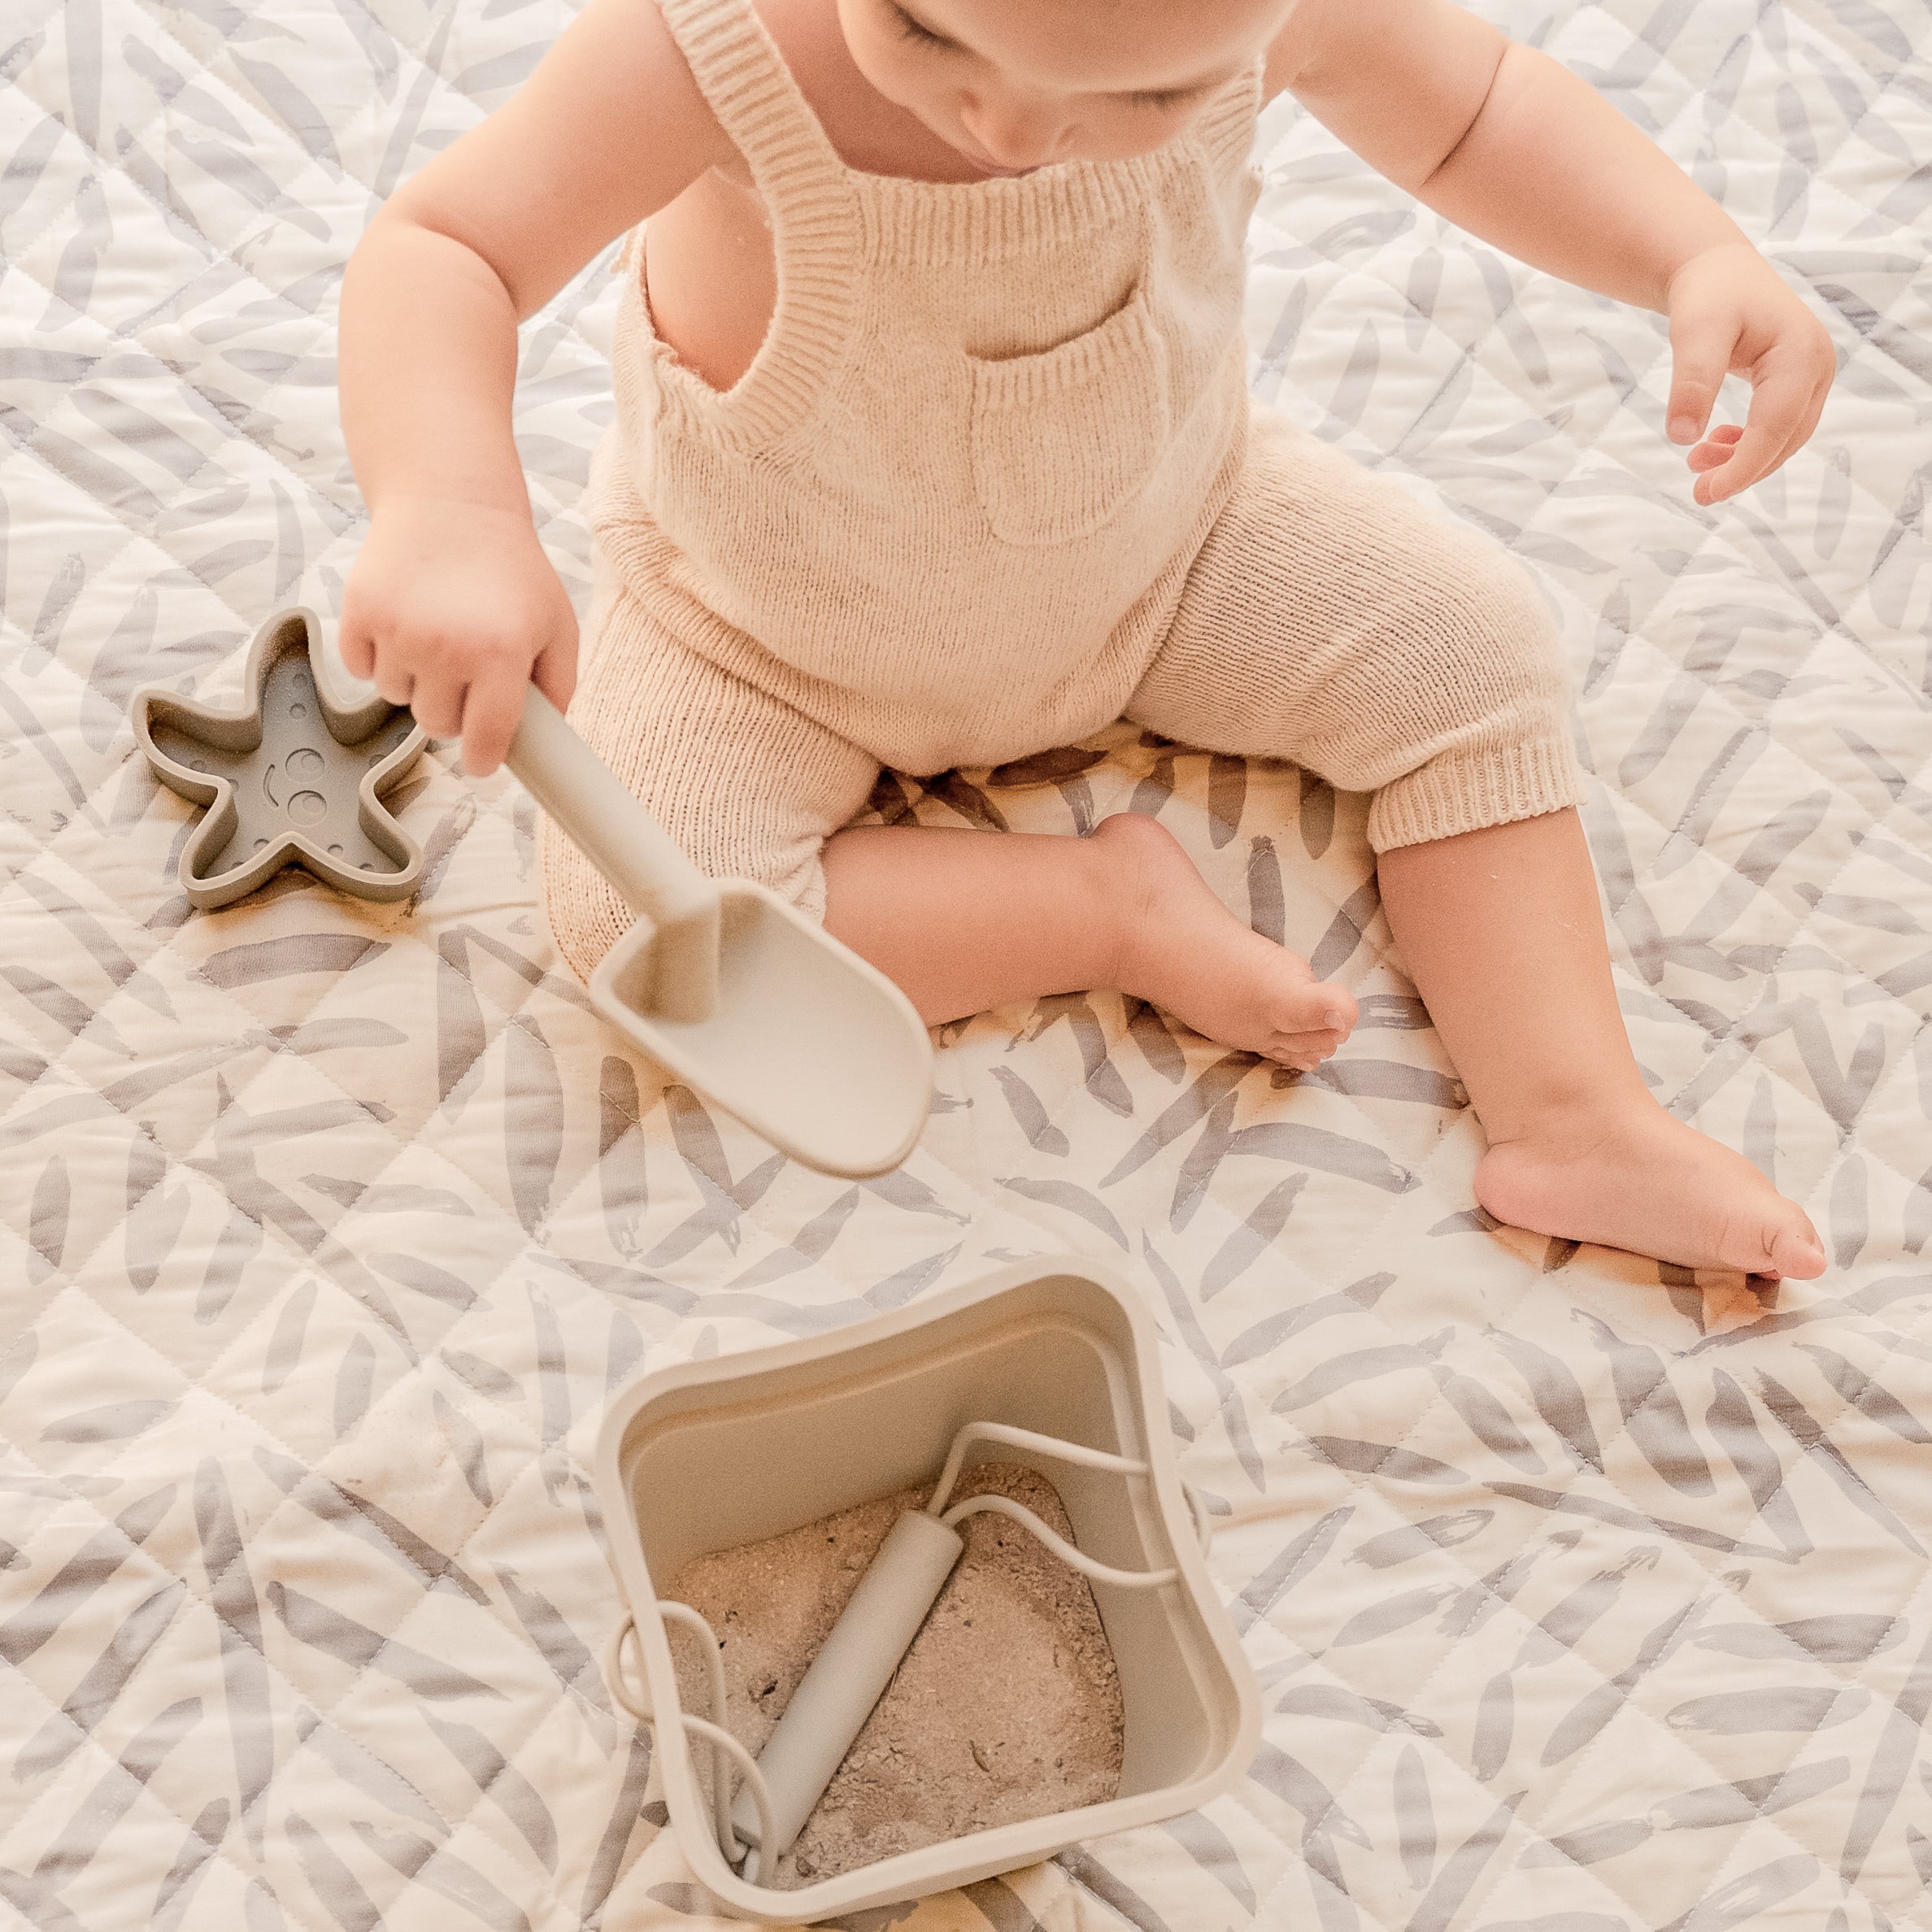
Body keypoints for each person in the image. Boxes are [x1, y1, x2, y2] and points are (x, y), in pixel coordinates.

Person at [336, 0, 1835, 1278]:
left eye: (1147, 96)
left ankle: (1573, 1115)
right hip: (765, 633)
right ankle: (1105, 912)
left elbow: (1480, 112)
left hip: (1171, 552)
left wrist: (1688, 254)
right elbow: (450, 245)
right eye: (924, 29)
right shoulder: (721, 41)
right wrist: (452, 510)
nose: (1007, 124)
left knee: (1477, 652)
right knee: (634, 911)